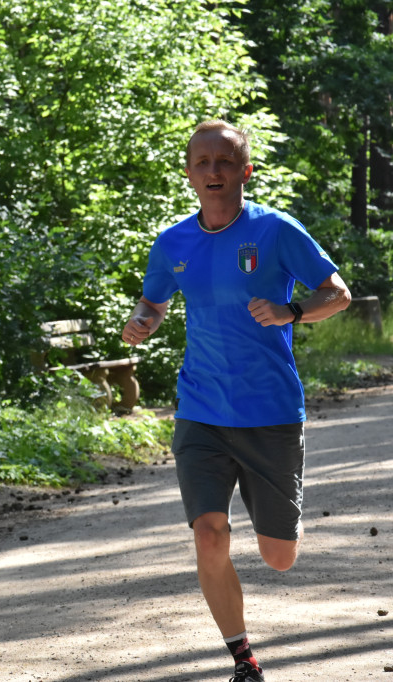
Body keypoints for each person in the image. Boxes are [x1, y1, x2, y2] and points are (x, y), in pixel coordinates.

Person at [121, 120, 351, 682]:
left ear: (245, 171)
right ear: (189, 173)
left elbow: (337, 293)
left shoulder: (275, 231)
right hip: (200, 409)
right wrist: (142, 320)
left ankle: (279, 511)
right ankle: (243, 659)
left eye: (225, 162)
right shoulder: (173, 242)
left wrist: (291, 311)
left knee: (279, 556)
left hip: (269, 412)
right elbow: (153, 300)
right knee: (208, 531)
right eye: (202, 163)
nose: (213, 172)